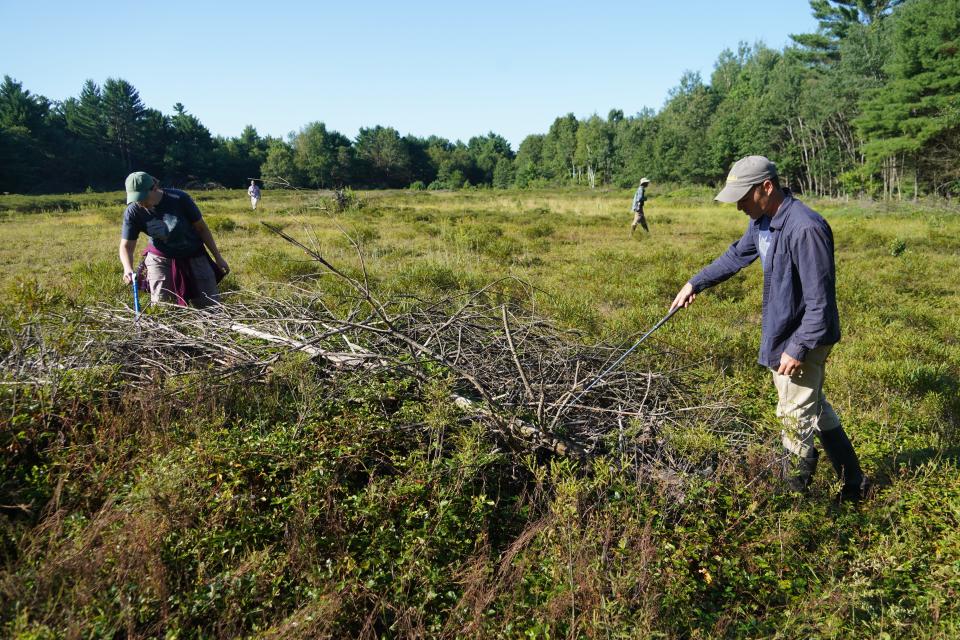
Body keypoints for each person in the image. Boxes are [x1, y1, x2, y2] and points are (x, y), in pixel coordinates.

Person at [669, 155, 869, 501]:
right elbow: (736, 256)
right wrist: (695, 283)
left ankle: (793, 506)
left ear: (767, 187)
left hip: (803, 337)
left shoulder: (805, 228)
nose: (739, 207)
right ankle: (855, 484)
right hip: (785, 334)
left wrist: (798, 347)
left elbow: (820, 303)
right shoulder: (762, 221)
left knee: (793, 416)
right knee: (813, 406)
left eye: (743, 198)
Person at [118, 171, 230, 308]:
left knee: (209, 305)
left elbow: (201, 228)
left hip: (194, 254)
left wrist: (218, 257)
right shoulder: (133, 212)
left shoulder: (179, 199)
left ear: (154, 188)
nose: (140, 203)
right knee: (163, 306)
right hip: (160, 258)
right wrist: (127, 268)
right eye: (136, 199)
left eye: (143, 197)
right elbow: (126, 246)